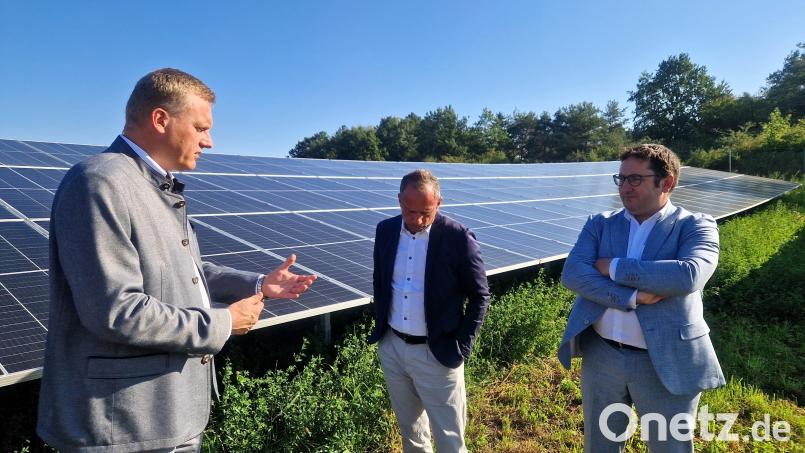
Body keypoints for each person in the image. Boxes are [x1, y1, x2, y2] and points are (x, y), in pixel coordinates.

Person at [36, 68, 317, 452]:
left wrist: (257, 284)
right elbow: (116, 311)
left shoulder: (152, 184)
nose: (210, 142)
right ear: (160, 120)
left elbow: (185, 272)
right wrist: (223, 323)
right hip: (123, 427)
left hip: (163, 417)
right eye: (201, 128)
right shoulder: (100, 182)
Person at [557, 144, 725, 452]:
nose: (624, 187)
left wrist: (613, 266)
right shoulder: (600, 223)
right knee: (600, 445)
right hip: (602, 357)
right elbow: (574, 274)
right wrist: (632, 296)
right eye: (620, 179)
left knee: (668, 446)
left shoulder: (695, 226)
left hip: (665, 359)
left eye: (635, 179)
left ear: (667, 182)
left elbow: (687, 276)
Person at [368, 169, 490, 453]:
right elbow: (379, 280)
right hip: (393, 347)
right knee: (411, 432)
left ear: (439, 203)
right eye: (410, 211)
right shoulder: (385, 230)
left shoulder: (458, 238)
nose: (418, 220)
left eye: (426, 212)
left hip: (437, 353)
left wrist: (461, 347)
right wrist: (383, 330)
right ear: (399, 201)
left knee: (449, 437)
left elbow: (479, 295)